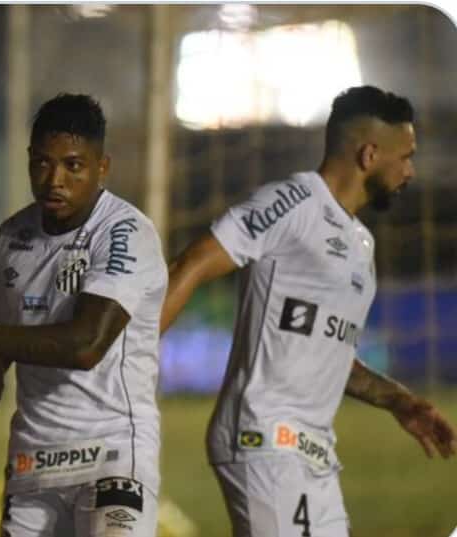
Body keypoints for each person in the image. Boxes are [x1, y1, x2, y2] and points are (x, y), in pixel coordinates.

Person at [160, 85, 456, 536]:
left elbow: (333, 356)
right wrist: (130, 355)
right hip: (265, 439)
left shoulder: (360, 245)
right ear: (370, 154)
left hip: (315, 455)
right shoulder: (292, 203)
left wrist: (400, 400)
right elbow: (191, 263)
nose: (411, 170)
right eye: (406, 156)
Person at [0, 94, 167, 537]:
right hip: (33, 463)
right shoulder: (13, 236)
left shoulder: (125, 232)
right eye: (42, 163)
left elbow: (85, 346)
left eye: (73, 165)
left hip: (112, 456)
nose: (54, 179)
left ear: (102, 167)